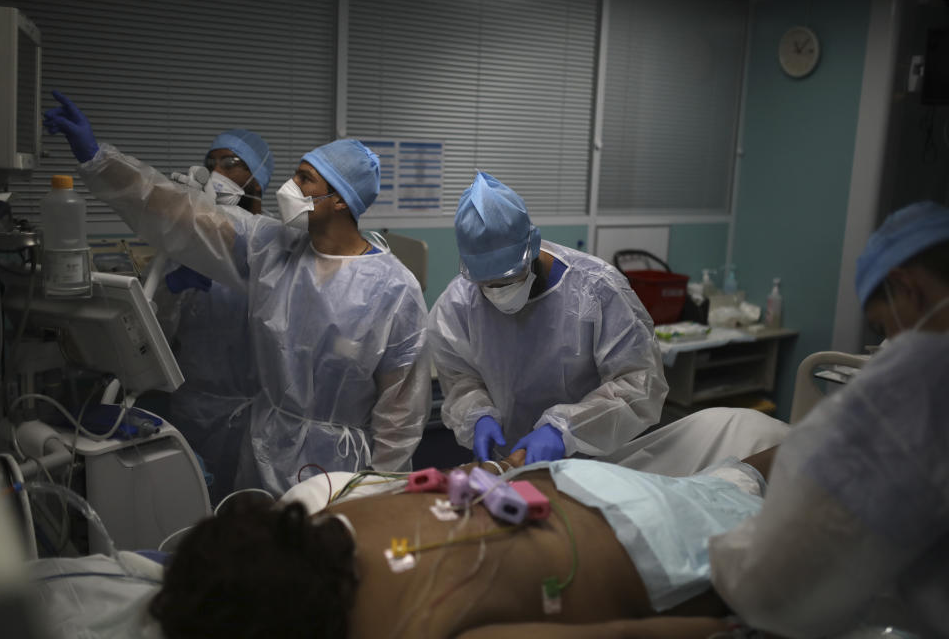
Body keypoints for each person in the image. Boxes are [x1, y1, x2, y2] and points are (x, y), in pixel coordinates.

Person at [43, 91, 432, 496]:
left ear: (338, 199)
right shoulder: (270, 247)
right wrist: (98, 159)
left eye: (304, 178)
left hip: (341, 471)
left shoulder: (392, 288)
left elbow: (401, 412)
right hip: (266, 451)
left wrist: (378, 488)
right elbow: (178, 210)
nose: (289, 186)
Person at [144, 447, 776, 639]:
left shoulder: (418, 628)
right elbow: (447, 487)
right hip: (578, 484)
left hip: (665, 557)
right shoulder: (334, 519)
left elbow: (616, 638)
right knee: (747, 479)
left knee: (776, 520)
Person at [709, 201, 949, 638]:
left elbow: (772, 590)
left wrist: (724, 545)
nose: (892, 345)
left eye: (884, 327)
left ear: (906, 287)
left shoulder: (918, 384)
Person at [428, 171, 668, 466]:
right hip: (511, 462)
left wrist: (567, 429)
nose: (498, 292)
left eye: (507, 278)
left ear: (530, 249)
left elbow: (640, 384)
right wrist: (476, 414)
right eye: (487, 283)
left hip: (594, 463)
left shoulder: (596, 290)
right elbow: (460, 378)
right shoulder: (458, 304)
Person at [158, 129, 274, 502]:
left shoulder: (277, 244)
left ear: (257, 177)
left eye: (230, 163)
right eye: (211, 164)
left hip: (262, 415)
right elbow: (158, 333)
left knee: (252, 515)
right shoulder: (189, 244)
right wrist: (170, 290)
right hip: (196, 410)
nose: (215, 173)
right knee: (194, 511)